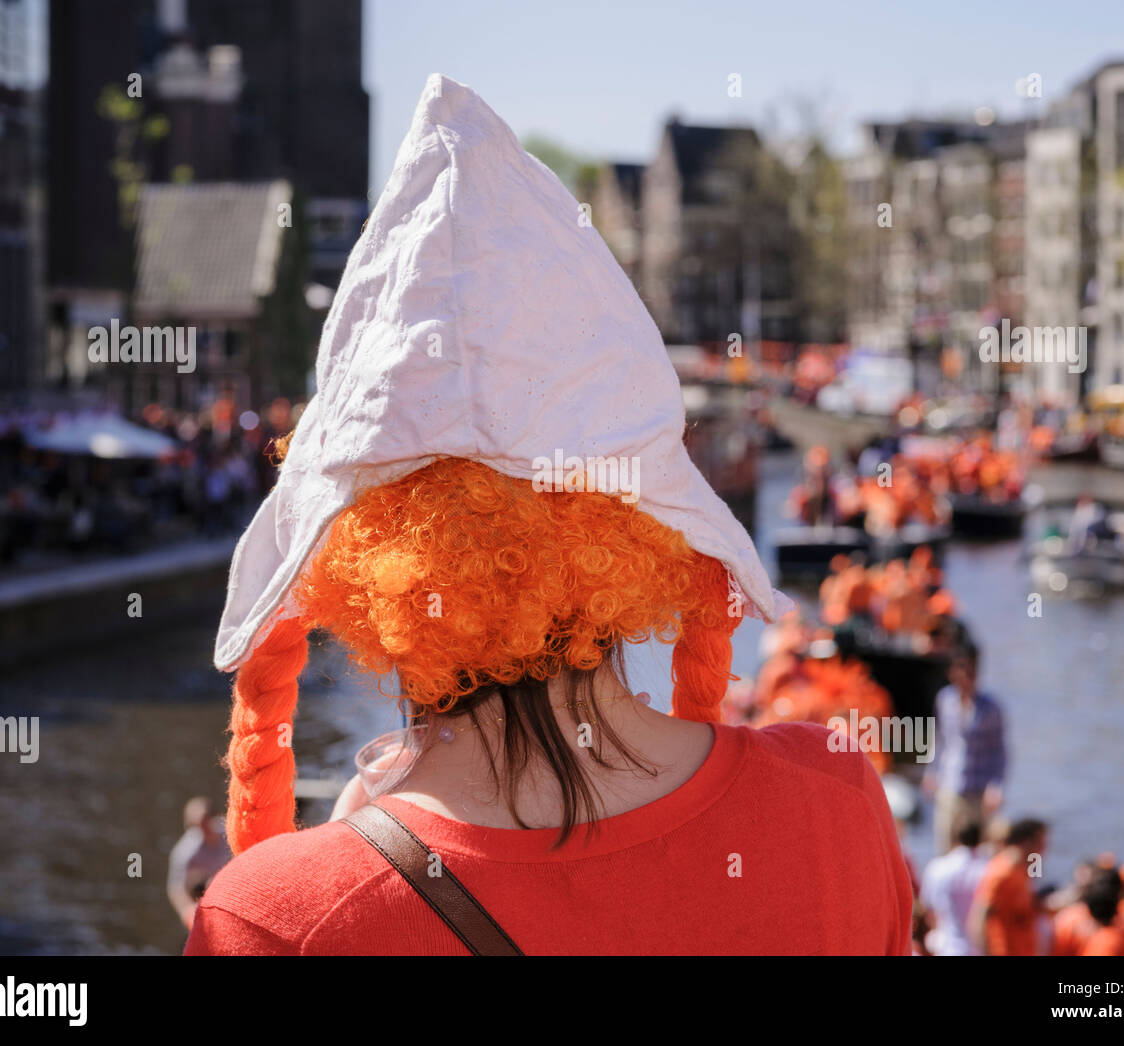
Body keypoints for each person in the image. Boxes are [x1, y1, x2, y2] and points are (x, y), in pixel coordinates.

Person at [184, 75, 912, 957]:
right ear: (645, 528)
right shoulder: (837, 800)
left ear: (364, 556)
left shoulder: (278, 919)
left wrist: (338, 863)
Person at [925, 638, 1006, 854]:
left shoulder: (990, 708)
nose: (966, 677)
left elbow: (999, 751)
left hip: (979, 789)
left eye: (971, 671)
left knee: (979, 853)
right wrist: (931, 771)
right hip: (950, 784)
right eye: (961, 670)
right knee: (945, 848)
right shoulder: (945, 700)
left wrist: (996, 786)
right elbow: (940, 738)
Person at [970, 818, 1047, 956]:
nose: (1044, 850)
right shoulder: (1002, 871)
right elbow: (979, 917)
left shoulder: (1024, 870)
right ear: (1027, 842)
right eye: (1041, 843)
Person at [920, 819, 990, 955]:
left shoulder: (939, 867)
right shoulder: (989, 867)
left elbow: (929, 910)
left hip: (949, 948)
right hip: (980, 949)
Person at [167, 797, 231, 932]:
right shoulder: (185, 851)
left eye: (208, 819)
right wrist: (187, 911)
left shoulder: (230, 832)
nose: (205, 825)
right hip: (206, 899)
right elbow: (176, 887)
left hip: (231, 888)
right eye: (199, 823)